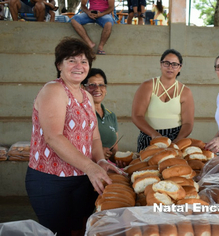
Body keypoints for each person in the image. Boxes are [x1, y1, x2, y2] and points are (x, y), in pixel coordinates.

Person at [25, 37, 122, 236]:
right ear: (59, 65)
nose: (79, 66)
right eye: (71, 60)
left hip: (82, 177)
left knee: (81, 229)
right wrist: (90, 167)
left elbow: (94, 137)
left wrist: (101, 161)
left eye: (84, 61)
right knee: (57, 232)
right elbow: (54, 137)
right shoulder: (54, 90)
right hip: (51, 179)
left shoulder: (86, 95)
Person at [132, 49, 195, 152]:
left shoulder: (185, 92)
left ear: (180, 67)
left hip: (175, 138)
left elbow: (188, 123)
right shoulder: (147, 86)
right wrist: (155, 135)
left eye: (174, 64)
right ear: (161, 64)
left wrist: (177, 141)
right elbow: (137, 116)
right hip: (149, 137)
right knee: (147, 166)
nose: (170, 67)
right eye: (166, 63)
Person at [81, 68, 119, 164]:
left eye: (101, 85)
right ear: (83, 88)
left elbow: (115, 150)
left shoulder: (111, 115)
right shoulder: (80, 113)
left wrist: (119, 159)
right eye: (92, 85)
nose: (97, 89)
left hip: (106, 168)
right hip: (85, 168)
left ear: (105, 89)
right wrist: (96, 151)